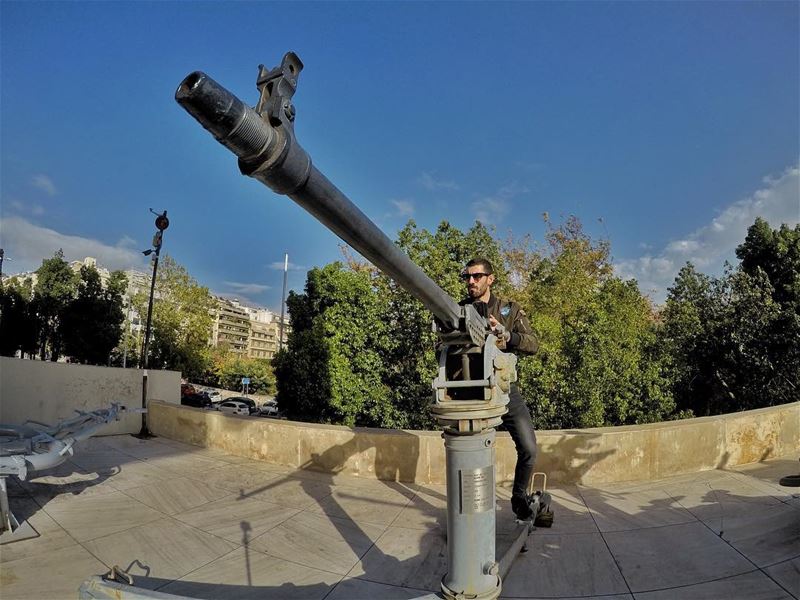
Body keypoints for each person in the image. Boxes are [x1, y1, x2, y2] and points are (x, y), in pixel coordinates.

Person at [460, 257, 539, 520]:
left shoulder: (509, 309)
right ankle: (469, 513)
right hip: (469, 392)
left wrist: (508, 336)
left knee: (528, 448)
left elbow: (533, 344)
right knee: (470, 455)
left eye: (477, 276)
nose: (471, 281)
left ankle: (518, 497)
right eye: (467, 277)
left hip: (503, 390)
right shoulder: (458, 310)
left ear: (490, 279)